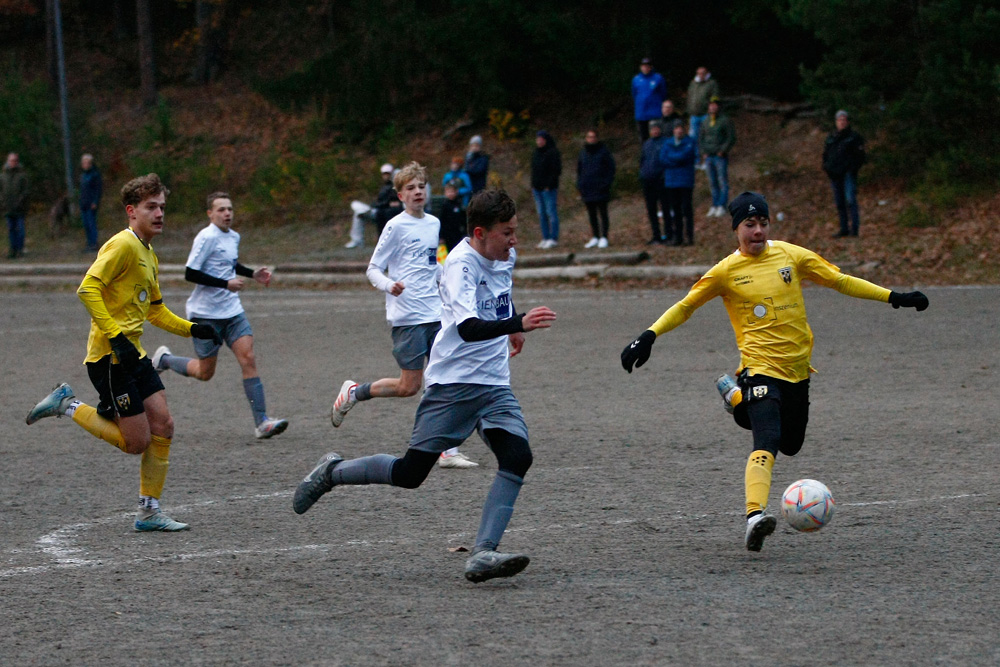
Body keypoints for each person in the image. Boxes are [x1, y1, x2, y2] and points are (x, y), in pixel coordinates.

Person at [620, 191, 929, 553]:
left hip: (798, 370)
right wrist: (648, 335)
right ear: (736, 229)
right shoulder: (725, 272)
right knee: (766, 439)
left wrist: (895, 296)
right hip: (760, 368)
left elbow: (840, 280)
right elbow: (685, 306)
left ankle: (735, 397)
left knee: (791, 444)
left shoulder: (791, 255)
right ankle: (755, 517)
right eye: (750, 225)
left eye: (763, 223)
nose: (758, 231)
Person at [294, 188, 557, 583]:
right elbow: (468, 328)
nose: (515, 240)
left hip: (493, 383)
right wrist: (516, 324)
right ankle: (333, 471)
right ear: (481, 232)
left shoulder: (505, 255)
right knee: (410, 474)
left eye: (516, 230)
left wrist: (510, 328)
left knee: (517, 457)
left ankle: (483, 553)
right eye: (507, 232)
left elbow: (499, 295)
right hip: (453, 383)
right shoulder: (458, 266)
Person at [25, 173, 223, 531]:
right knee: (136, 443)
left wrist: (193, 329)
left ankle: (149, 511)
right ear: (132, 211)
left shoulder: (149, 254)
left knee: (164, 424)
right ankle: (66, 404)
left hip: (133, 355)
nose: (159, 213)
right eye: (151, 207)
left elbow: (154, 311)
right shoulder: (123, 246)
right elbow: (87, 289)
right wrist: (115, 337)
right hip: (109, 359)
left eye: (162, 206)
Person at [331, 162, 477, 469]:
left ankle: (446, 450)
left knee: (446, 376)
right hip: (407, 316)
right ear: (400, 195)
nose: (418, 192)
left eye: (421, 186)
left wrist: (449, 276)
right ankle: (355, 392)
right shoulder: (395, 226)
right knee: (409, 386)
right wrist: (389, 285)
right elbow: (372, 269)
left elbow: (429, 264)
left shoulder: (433, 223)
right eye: (410, 188)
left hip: (435, 313)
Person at [151, 191, 288, 440]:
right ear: (210, 214)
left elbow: (230, 263)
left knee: (248, 358)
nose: (227, 213)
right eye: (222, 209)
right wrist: (225, 284)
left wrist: (251, 273)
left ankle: (262, 423)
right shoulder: (205, 237)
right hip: (205, 315)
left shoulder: (233, 236)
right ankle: (165, 360)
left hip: (232, 312)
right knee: (205, 372)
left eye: (230, 209)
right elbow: (190, 273)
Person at [822, 110, 866, 238]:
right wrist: (826, 167)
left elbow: (860, 156)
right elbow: (826, 155)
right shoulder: (831, 138)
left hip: (848, 174)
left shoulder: (854, 137)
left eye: (844, 120)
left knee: (850, 200)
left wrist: (852, 168)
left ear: (847, 121)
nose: (842, 122)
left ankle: (855, 229)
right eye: (839, 120)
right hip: (835, 174)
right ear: (836, 122)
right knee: (839, 202)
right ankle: (844, 228)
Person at [576, 129, 616, 249]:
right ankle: (595, 236)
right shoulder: (583, 153)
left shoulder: (604, 152)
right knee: (591, 214)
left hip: (601, 188)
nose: (591, 139)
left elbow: (611, 169)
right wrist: (580, 185)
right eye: (589, 137)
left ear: (597, 138)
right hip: (588, 189)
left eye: (593, 137)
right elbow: (579, 170)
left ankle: (604, 236)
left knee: (603, 213)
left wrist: (606, 184)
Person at [660, 119, 697, 246]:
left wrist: (673, 159)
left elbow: (686, 156)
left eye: (681, 128)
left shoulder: (689, 142)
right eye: (677, 128)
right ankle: (678, 236)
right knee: (675, 211)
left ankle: (689, 236)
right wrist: (677, 160)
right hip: (671, 181)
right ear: (673, 130)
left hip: (686, 181)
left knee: (687, 209)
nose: (679, 130)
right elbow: (663, 159)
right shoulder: (667, 143)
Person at [698, 97, 736, 218]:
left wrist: (723, 150)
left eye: (715, 105)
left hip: (720, 155)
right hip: (709, 155)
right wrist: (703, 151)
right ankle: (714, 204)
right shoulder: (705, 121)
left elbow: (731, 137)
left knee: (722, 181)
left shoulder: (725, 120)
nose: (713, 107)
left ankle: (722, 205)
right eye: (711, 105)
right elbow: (701, 138)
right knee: (712, 182)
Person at [639, 120, 670, 244]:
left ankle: (668, 234)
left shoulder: (665, 142)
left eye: (656, 128)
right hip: (648, 180)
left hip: (661, 180)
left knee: (666, 208)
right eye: (652, 129)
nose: (655, 131)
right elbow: (642, 160)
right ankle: (656, 234)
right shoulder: (647, 144)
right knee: (651, 209)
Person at [531, 130, 562, 249]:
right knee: (541, 213)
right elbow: (534, 170)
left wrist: (550, 184)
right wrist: (533, 184)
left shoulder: (553, 152)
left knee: (551, 212)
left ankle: (553, 237)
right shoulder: (536, 153)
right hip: (537, 188)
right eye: (537, 139)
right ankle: (545, 237)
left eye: (541, 139)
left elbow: (556, 170)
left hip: (548, 188)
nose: (539, 141)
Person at [686, 67, 720, 159]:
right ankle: (696, 159)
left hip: (706, 115)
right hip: (694, 115)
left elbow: (715, 97)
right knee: (693, 137)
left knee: (707, 137)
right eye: (699, 73)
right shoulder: (693, 83)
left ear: (707, 73)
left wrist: (712, 109)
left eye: (703, 73)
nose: (701, 75)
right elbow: (689, 96)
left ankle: (707, 159)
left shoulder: (712, 83)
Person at [632, 57, 668, 143]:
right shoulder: (636, 79)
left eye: (648, 66)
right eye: (644, 66)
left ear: (651, 67)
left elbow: (663, 94)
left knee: (657, 136)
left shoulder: (658, 78)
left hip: (655, 113)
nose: (645, 68)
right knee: (644, 138)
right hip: (641, 114)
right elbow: (634, 94)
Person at [1, 152, 28, 259]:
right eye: (11, 160)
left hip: (19, 208)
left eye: (15, 160)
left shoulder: (22, 175)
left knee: (20, 230)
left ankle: (20, 249)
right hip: (7, 208)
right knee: (11, 230)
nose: (13, 162)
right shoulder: (2, 176)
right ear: (8, 161)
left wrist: (20, 201)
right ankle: (13, 250)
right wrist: (2, 202)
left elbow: (26, 191)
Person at [79, 153, 103, 252]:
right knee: (86, 224)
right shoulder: (83, 175)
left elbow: (98, 190)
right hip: (84, 203)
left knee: (91, 223)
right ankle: (89, 243)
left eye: (86, 162)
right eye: (83, 163)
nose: (84, 164)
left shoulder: (95, 175)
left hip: (91, 203)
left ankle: (94, 243)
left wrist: (95, 202)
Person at [438, 182, 467, 251]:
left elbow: (463, 219)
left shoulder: (459, 204)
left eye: (452, 191)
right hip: (447, 234)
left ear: (456, 192)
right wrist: (441, 237)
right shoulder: (444, 205)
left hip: (458, 233)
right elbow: (442, 221)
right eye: (448, 192)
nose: (450, 194)